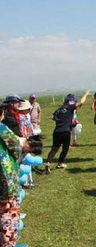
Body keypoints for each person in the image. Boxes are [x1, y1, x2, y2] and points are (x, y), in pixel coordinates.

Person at [0, 104, 43, 247]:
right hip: (6, 183)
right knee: (9, 218)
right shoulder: (2, 129)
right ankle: (8, 243)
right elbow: (15, 148)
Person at [45, 91, 90, 174]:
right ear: (70, 101)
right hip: (65, 131)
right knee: (65, 149)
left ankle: (48, 163)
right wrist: (85, 95)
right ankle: (60, 163)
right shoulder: (70, 107)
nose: (75, 102)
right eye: (74, 101)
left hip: (56, 131)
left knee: (54, 149)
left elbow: (53, 117)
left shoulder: (59, 109)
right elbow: (81, 102)